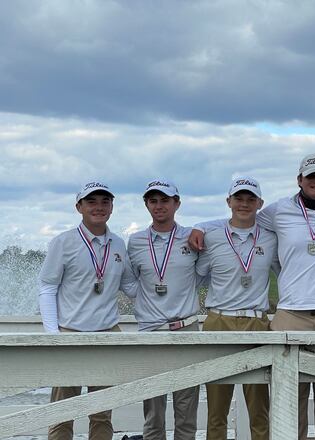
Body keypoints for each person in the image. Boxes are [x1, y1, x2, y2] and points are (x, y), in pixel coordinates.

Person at [191, 154, 315, 440]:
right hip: (291, 317)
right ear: (299, 180)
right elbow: (239, 221)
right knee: (287, 406)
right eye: (311, 177)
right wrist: (199, 226)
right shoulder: (278, 210)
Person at [38, 181, 139, 440]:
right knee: (61, 413)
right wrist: (53, 335)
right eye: (91, 202)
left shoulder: (118, 244)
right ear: (79, 207)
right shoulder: (63, 242)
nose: (99, 207)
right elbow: (47, 287)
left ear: (112, 207)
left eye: (105, 202)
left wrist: (170, 282)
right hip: (70, 334)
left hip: (108, 334)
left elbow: (129, 285)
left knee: (102, 413)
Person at [195, 176, 277, 440]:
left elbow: (285, 273)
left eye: (250, 199)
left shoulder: (272, 238)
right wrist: (198, 226)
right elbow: (198, 276)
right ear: (228, 201)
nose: (244, 204)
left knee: (259, 409)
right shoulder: (212, 236)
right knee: (216, 410)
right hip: (219, 322)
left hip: (257, 323)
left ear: (260, 203)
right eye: (238, 198)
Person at [126, 179, 201, 440]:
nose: (159, 206)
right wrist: (149, 301)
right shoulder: (135, 242)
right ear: (146, 204)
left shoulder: (192, 237)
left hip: (186, 328)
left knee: (186, 408)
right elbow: (130, 281)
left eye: (165, 200)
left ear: (176, 203)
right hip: (151, 331)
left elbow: (201, 275)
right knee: (153, 411)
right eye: (153, 200)